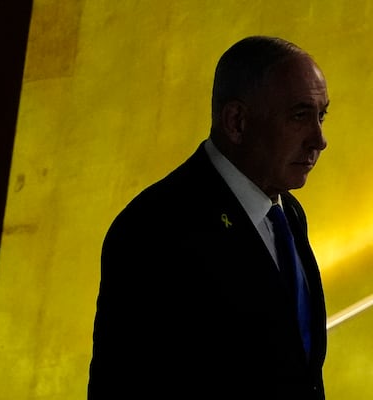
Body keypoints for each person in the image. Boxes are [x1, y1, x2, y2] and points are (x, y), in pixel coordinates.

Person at [88, 35, 329, 399]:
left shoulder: (289, 213)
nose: (319, 139)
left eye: (321, 115)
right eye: (299, 116)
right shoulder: (154, 229)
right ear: (237, 122)